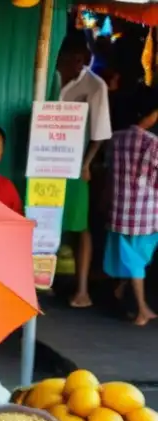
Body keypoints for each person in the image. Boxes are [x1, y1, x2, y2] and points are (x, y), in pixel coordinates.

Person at [57, 34, 113, 309]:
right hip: (43, 159)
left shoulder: (94, 85)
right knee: (42, 217)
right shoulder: (48, 76)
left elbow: (100, 133)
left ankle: (82, 290)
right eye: (69, 59)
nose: (74, 65)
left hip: (75, 163)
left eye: (80, 60)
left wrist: (86, 164)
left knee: (80, 224)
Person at [103, 85, 158, 326]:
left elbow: (108, 171)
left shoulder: (115, 138)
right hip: (145, 213)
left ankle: (121, 291)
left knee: (128, 254)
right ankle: (142, 310)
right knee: (138, 259)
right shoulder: (152, 142)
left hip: (119, 210)